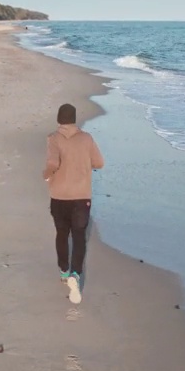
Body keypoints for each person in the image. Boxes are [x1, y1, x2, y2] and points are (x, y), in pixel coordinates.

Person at [43, 103, 104, 304]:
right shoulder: (87, 139)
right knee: (79, 237)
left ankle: (63, 270)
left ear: (59, 120)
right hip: (81, 197)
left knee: (62, 234)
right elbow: (99, 163)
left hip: (59, 196)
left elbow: (53, 163)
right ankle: (75, 274)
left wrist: (47, 174)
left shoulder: (53, 138)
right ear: (74, 119)